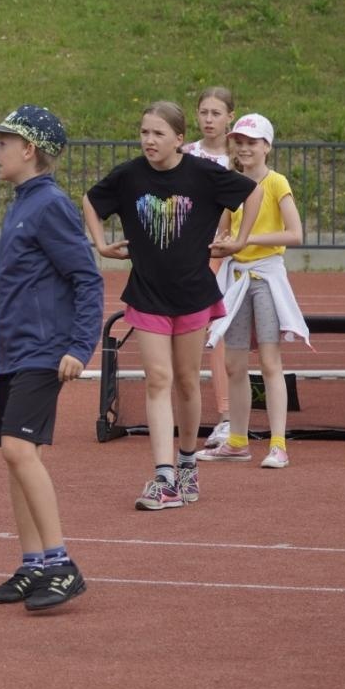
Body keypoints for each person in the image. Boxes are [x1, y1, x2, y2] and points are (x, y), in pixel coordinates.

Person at [82, 100, 262, 512]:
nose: (149, 140)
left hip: (194, 295)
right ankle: (163, 477)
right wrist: (101, 244)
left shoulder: (202, 175)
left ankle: (186, 463)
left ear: (180, 140)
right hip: (146, 294)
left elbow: (252, 194)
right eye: (144, 132)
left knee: (185, 381)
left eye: (158, 134)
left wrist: (240, 239)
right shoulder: (128, 176)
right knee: (157, 380)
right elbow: (91, 201)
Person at [0, 106, 104, 611]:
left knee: (18, 450)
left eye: (3, 142)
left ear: (28, 150)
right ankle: (32, 565)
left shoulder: (49, 203)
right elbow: (18, 286)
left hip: (43, 350)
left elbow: (87, 278)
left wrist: (78, 346)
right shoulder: (23, 201)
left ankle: (60, 563)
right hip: (16, 352)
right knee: (16, 457)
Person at [198, 113, 309, 469]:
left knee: (270, 362)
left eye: (252, 142)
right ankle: (237, 441)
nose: (245, 148)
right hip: (236, 278)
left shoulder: (276, 182)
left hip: (265, 278)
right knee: (233, 364)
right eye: (240, 142)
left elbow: (295, 234)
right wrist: (219, 244)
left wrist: (248, 239)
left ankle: (278, 445)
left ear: (267, 147)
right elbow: (224, 233)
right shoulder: (231, 183)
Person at [183, 86, 236, 450]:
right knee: (189, 333)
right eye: (203, 112)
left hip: (227, 255)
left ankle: (229, 416)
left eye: (216, 113)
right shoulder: (186, 155)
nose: (209, 120)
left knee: (221, 333)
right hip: (188, 255)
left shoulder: (239, 157)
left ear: (230, 116)